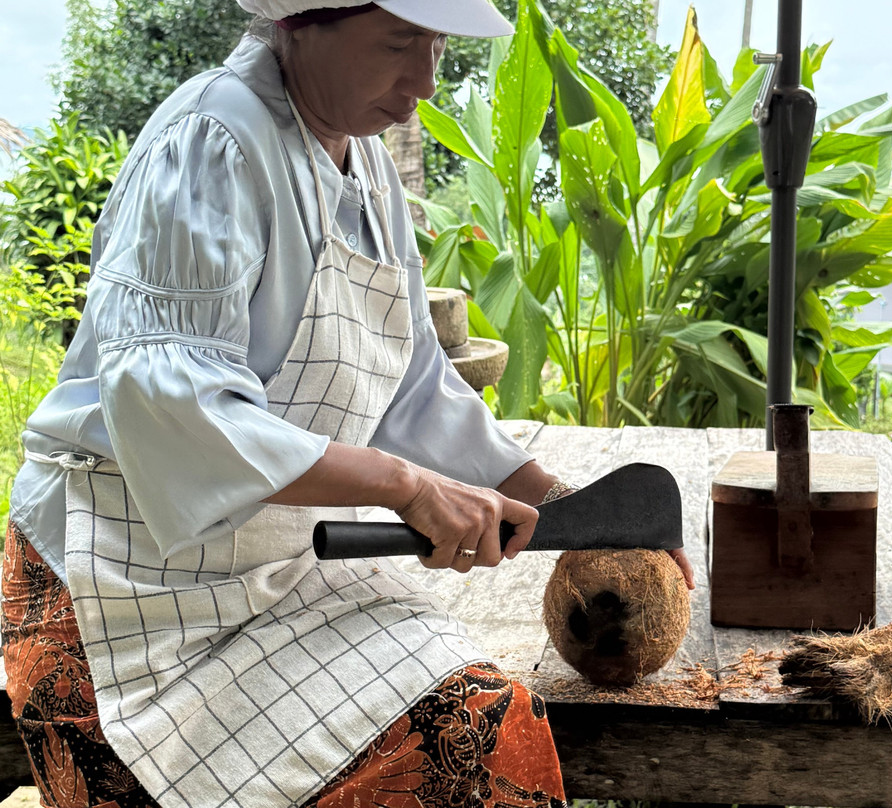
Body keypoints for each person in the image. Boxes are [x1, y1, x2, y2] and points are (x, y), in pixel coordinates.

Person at [1, 1, 694, 806]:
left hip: (280, 572)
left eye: (436, 44)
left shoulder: (362, 163)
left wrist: (578, 511)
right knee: (456, 744)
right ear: (302, 22)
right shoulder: (214, 140)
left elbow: (408, 383)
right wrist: (404, 488)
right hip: (122, 594)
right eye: (401, 42)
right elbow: (173, 404)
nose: (426, 80)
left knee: (480, 726)